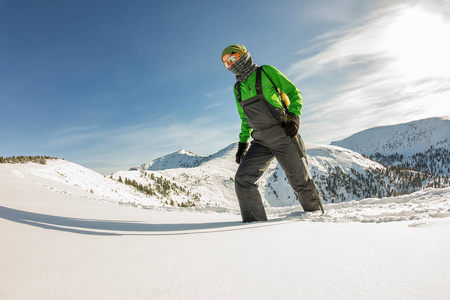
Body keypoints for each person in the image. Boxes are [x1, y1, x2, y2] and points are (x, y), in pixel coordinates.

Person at [221, 44, 324, 223]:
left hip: (284, 134)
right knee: (243, 179)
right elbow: (245, 119)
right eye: (226, 64)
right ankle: (254, 224)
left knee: (300, 181)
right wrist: (243, 143)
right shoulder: (237, 89)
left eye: (231, 59)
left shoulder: (266, 72)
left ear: (243, 54)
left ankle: (316, 221)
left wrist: (294, 117)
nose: (230, 65)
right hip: (260, 141)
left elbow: (293, 92)